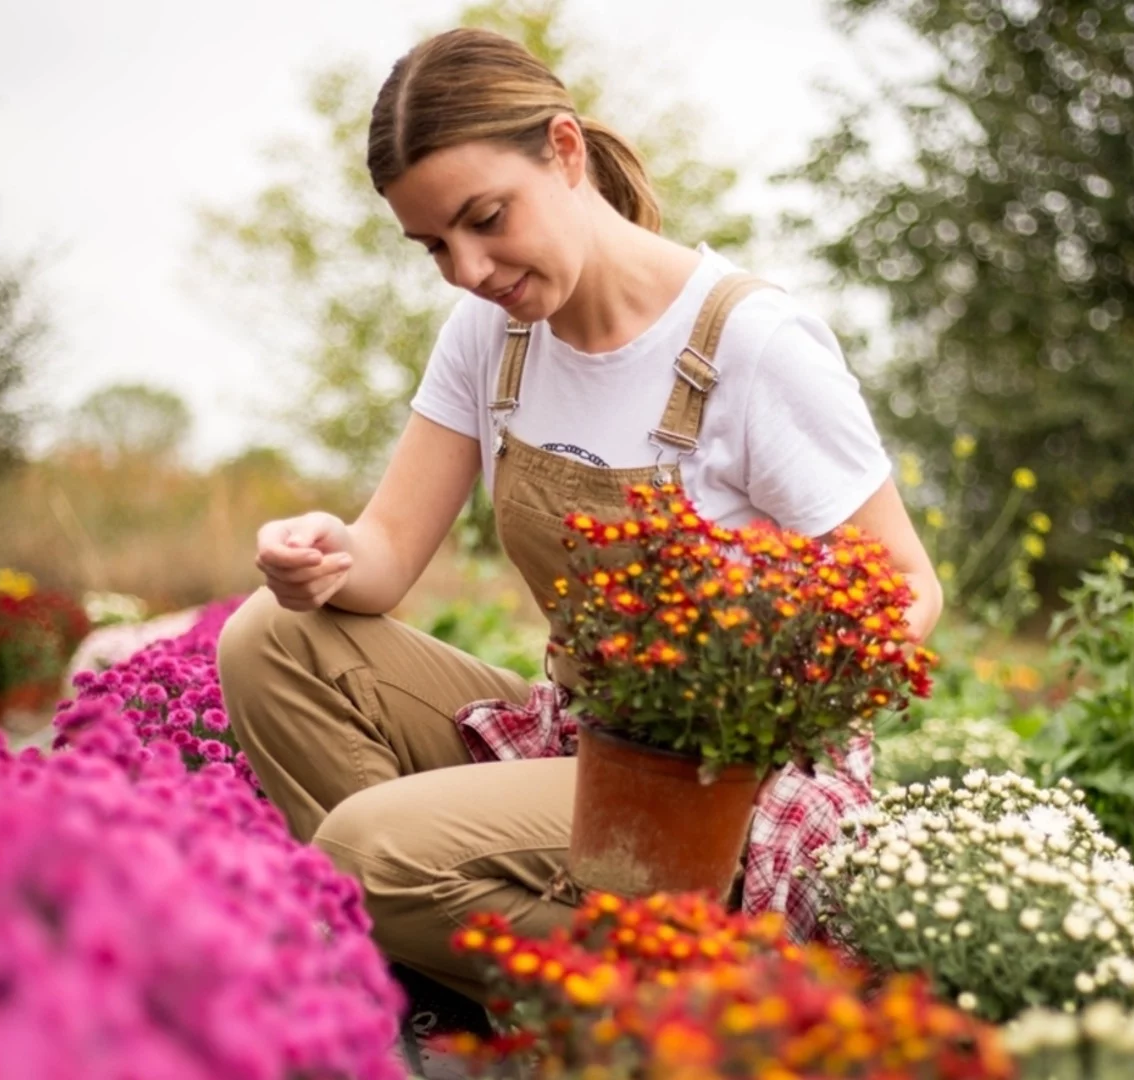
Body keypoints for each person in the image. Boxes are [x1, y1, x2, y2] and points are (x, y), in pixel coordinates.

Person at [216, 22, 942, 1055]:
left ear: (564, 151)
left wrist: (763, 693)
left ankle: (728, 1016)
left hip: (718, 789)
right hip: (584, 738)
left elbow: (910, 585)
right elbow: (381, 560)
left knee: (368, 855)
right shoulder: (491, 337)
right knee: (268, 642)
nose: (465, 269)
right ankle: (474, 976)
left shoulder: (749, 344)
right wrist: (321, 553)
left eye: (484, 220)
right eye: (434, 247)